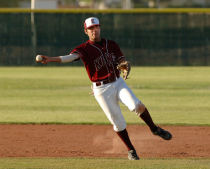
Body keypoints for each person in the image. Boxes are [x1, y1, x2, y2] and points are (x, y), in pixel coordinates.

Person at [36, 17, 172, 160]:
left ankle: (155, 129)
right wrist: (51, 58)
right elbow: (71, 57)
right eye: (91, 28)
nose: (94, 30)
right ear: (86, 31)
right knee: (118, 122)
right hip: (101, 90)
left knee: (137, 105)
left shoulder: (111, 44)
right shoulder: (84, 49)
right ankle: (131, 150)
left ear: (100, 28)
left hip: (118, 82)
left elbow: (121, 59)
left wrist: (123, 63)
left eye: (96, 27)